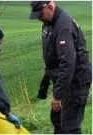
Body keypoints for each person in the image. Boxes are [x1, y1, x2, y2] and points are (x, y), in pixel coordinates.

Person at [29, 1, 92, 134]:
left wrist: (57, 96)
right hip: (63, 81)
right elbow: (51, 58)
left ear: (50, 7)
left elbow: (67, 64)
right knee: (58, 119)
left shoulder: (63, 27)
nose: (39, 19)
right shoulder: (49, 23)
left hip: (75, 81)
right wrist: (45, 83)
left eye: (40, 15)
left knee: (69, 126)